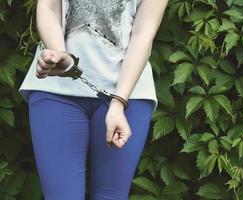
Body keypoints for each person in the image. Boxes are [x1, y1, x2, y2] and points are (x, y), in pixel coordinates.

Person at [18, 0, 169, 199]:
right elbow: (48, 7)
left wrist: (118, 103)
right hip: (55, 90)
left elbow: (143, 34)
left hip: (129, 94)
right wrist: (63, 58)